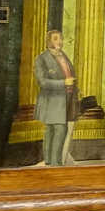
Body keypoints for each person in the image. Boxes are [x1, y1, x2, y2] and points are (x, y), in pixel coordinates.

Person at [33, 30, 80, 166]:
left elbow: (69, 75)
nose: (59, 41)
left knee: (52, 129)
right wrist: (64, 83)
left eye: (61, 38)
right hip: (52, 100)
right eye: (55, 38)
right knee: (60, 129)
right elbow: (43, 82)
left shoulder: (62, 55)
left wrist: (75, 89)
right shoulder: (41, 59)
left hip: (67, 98)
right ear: (48, 41)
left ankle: (49, 160)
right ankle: (56, 163)